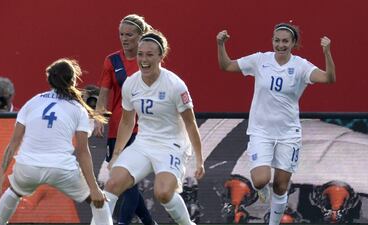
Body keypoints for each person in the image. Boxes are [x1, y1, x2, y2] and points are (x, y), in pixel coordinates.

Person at [216, 23, 336, 225]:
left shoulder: (301, 66)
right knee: (260, 180)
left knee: (281, 186)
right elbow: (226, 65)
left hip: (288, 133)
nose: (280, 45)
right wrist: (220, 45)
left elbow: (328, 78)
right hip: (261, 131)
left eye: (285, 41)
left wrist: (327, 52)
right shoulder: (260, 60)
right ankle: (261, 191)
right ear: (272, 40)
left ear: (293, 43)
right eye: (277, 40)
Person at [0, 58, 112, 225]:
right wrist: (94, 188)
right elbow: (83, 151)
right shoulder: (78, 108)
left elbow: (13, 144)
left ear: (49, 80)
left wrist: (0, 173)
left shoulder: (32, 103)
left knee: (14, 192)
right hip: (62, 169)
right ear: (74, 80)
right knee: (99, 203)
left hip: (28, 168)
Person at [103, 30, 205, 225]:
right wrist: (117, 153)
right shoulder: (131, 84)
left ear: (161, 56)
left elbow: (190, 124)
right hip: (143, 143)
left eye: (150, 55)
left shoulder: (175, 85)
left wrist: (199, 160)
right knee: (112, 184)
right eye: (140, 54)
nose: (144, 59)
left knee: (163, 193)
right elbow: (127, 121)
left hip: (171, 144)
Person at [92, 14, 156, 225]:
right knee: (126, 181)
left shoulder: (146, 59)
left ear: (140, 35)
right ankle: (149, 222)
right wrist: (99, 117)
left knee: (128, 178)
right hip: (118, 128)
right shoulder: (112, 61)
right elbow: (104, 91)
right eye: (121, 34)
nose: (124, 38)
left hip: (142, 128)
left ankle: (123, 222)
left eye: (129, 34)